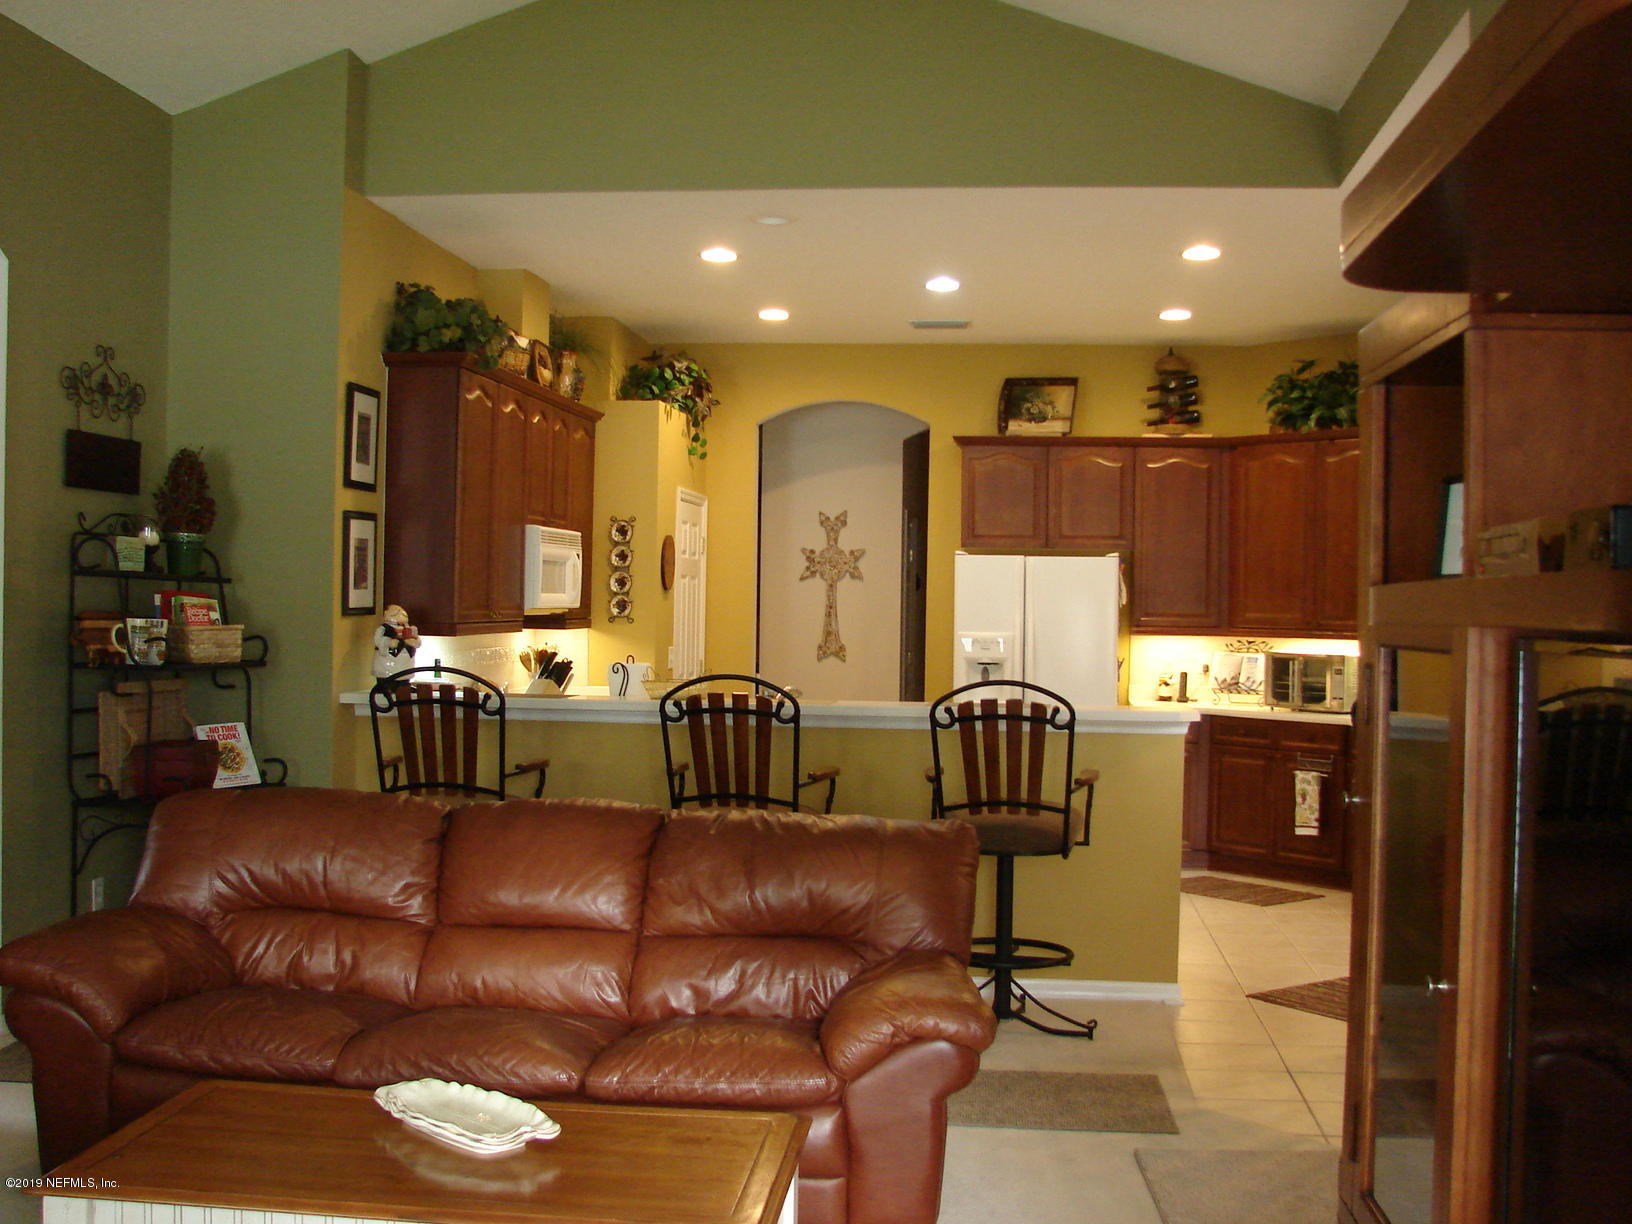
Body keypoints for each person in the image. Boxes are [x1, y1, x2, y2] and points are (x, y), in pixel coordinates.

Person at [371, 604, 421, 678]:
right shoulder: (383, 628)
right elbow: (377, 641)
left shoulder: (408, 628)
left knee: (404, 685)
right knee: (387, 684)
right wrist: (388, 642)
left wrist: (413, 640)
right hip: (387, 665)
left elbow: (417, 642)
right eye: (396, 612)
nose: (400, 613)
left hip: (406, 664)